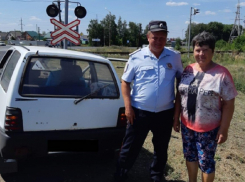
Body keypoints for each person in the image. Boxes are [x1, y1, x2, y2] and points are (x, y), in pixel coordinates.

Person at [114, 20, 183, 182]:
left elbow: (181, 83)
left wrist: (176, 114)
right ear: (148, 37)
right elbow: (125, 82)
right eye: (155, 37)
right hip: (139, 112)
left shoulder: (174, 57)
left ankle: (156, 175)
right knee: (130, 147)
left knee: (161, 148)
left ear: (167, 38)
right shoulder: (137, 57)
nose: (158, 41)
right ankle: (121, 174)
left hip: (165, 113)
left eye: (162, 37)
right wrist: (128, 107)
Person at [173, 31, 238, 182]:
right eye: (197, 49)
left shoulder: (222, 74)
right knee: (189, 155)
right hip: (187, 125)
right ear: (193, 50)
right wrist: (176, 117)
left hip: (208, 129)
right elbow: (180, 94)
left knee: (206, 162)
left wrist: (224, 128)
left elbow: (229, 103)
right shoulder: (188, 70)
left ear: (213, 51)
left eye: (205, 50)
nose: (201, 53)